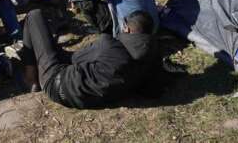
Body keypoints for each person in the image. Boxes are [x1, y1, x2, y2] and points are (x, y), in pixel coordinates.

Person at [16, 9, 158, 109]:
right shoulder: (150, 57)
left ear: (126, 29)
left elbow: (73, 59)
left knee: (34, 16)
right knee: (50, 47)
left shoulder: (109, 44)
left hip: (56, 84)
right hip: (90, 97)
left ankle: (31, 79)